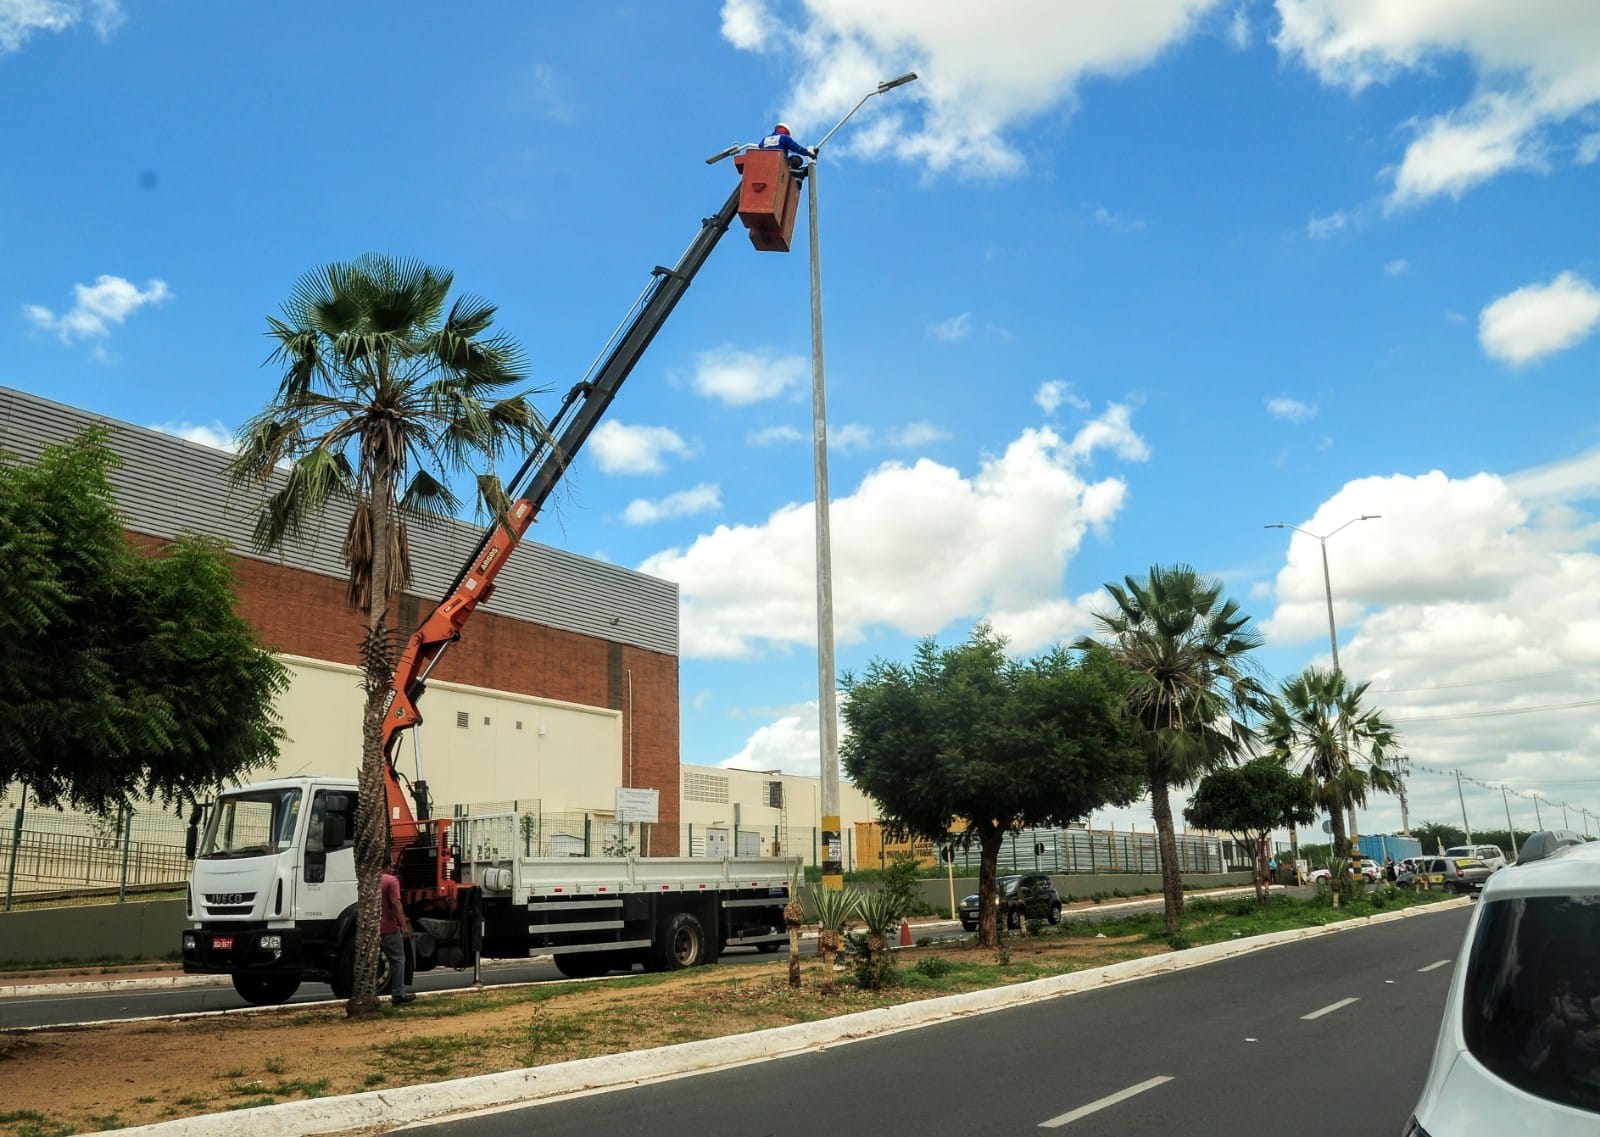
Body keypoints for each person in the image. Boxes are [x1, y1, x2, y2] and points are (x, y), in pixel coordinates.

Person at [380, 861, 414, 1006]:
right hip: (389, 927)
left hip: (372, 927)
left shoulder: (370, 880)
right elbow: (395, 903)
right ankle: (398, 993)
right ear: (387, 866)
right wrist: (403, 925)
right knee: (398, 959)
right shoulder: (391, 881)